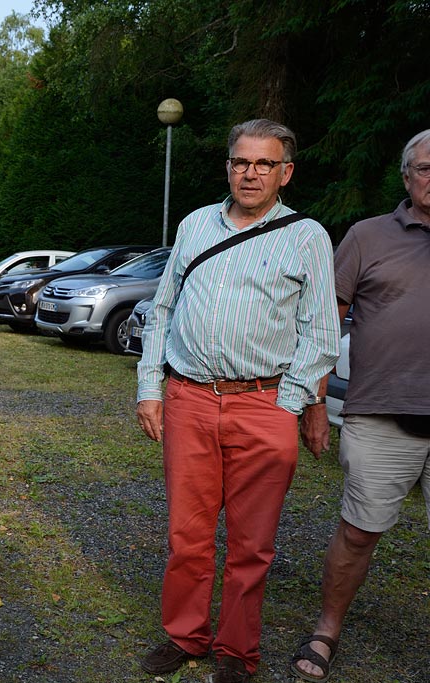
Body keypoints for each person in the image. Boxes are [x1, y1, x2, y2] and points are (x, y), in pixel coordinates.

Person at [135, 119, 339, 683]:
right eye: (240, 162)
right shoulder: (197, 224)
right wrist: (150, 387)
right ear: (228, 166)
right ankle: (185, 634)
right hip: (190, 399)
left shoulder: (307, 236)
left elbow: (320, 331)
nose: (250, 173)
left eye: (263, 164)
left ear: (285, 173)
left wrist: (288, 404)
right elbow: (163, 309)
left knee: (252, 544)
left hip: (263, 403)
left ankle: (236, 651)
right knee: (187, 534)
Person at [289, 129, 430, 683]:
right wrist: (316, 403)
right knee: (358, 531)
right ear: (406, 176)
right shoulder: (366, 237)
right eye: (425, 168)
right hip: (379, 419)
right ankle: (326, 630)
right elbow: (325, 321)